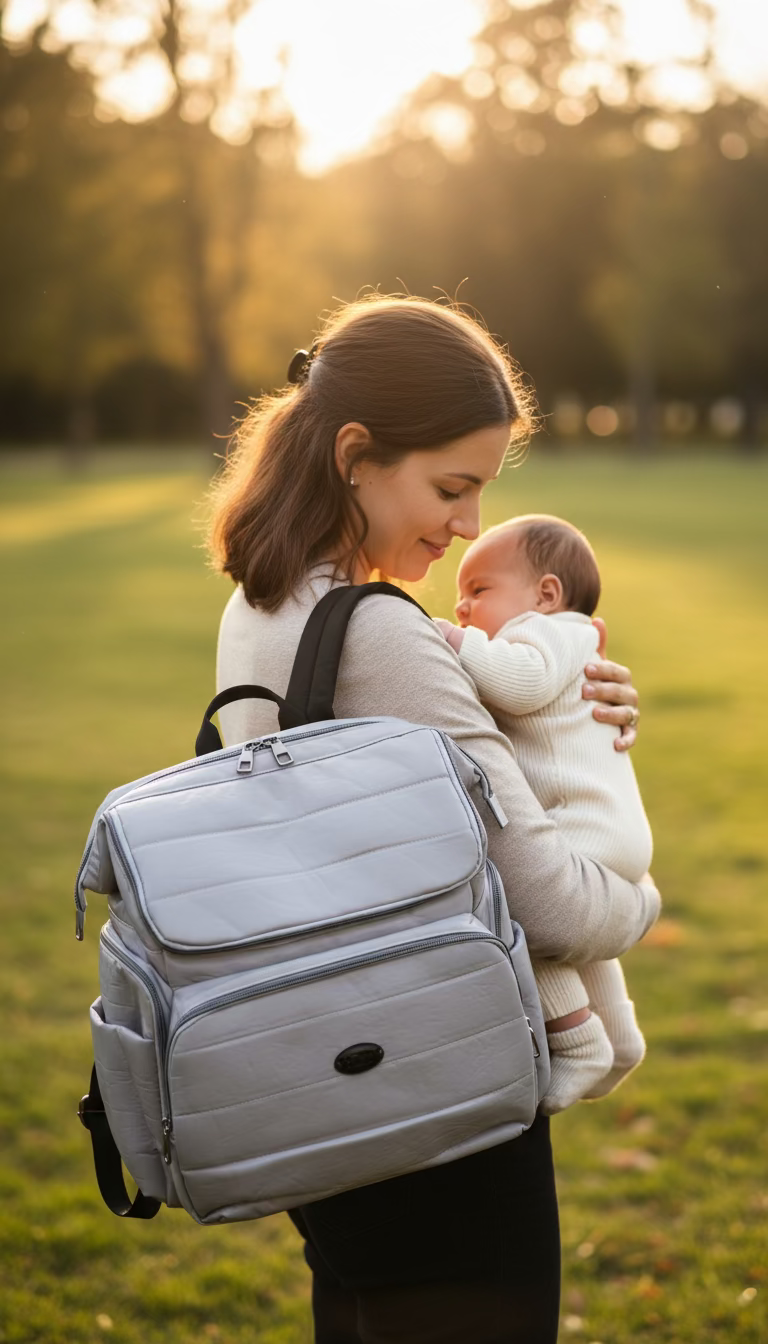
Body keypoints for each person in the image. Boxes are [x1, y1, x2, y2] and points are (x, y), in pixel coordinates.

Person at [207, 295, 660, 1344]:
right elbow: (549, 905)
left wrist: (571, 721)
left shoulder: (262, 607)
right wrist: (639, 900)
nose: (466, 529)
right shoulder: (383, 640)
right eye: (450, 488)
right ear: (355, 454)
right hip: (439, 1105)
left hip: (332, 1082)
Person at [434, 514, 652, 1116]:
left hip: (581, 826)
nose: (460, 608)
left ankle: (576, 1038)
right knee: (578, 940)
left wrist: (446, 642)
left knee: (516, 902)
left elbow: (521, 684)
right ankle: (618, 1037)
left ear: (546, 593)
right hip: (612, 833)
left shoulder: (546, 632)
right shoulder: (565, 638)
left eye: (478, 591)